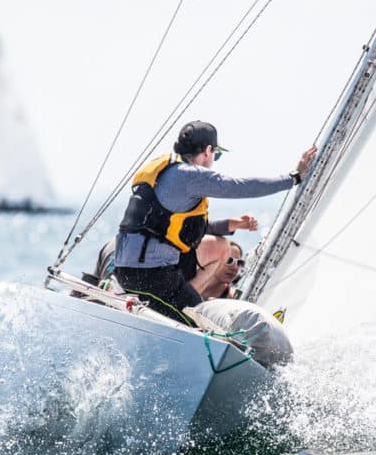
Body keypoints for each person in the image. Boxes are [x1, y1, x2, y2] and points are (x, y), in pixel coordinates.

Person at [115, 120, 316, 323]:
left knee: (180, 310)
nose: (214, 159)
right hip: (153, 276)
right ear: (208, 150)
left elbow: (170, 228)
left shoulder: (165, 170)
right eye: (216, 155)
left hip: (125, 270)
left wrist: (229, 225)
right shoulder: (190, 176)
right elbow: (240, 187)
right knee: (199, 322)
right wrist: (293, 178)